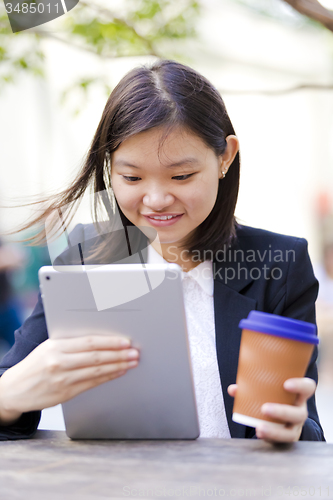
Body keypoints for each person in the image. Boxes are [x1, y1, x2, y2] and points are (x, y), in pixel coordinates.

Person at [0, 60, 325, 442]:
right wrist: (9, 396)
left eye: (181, 176)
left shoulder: (276, 264)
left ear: (225, 157)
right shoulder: (90, 254)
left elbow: (300, 423)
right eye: (132, 177)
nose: (156, 199)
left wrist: (289, 428)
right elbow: (12, 388)